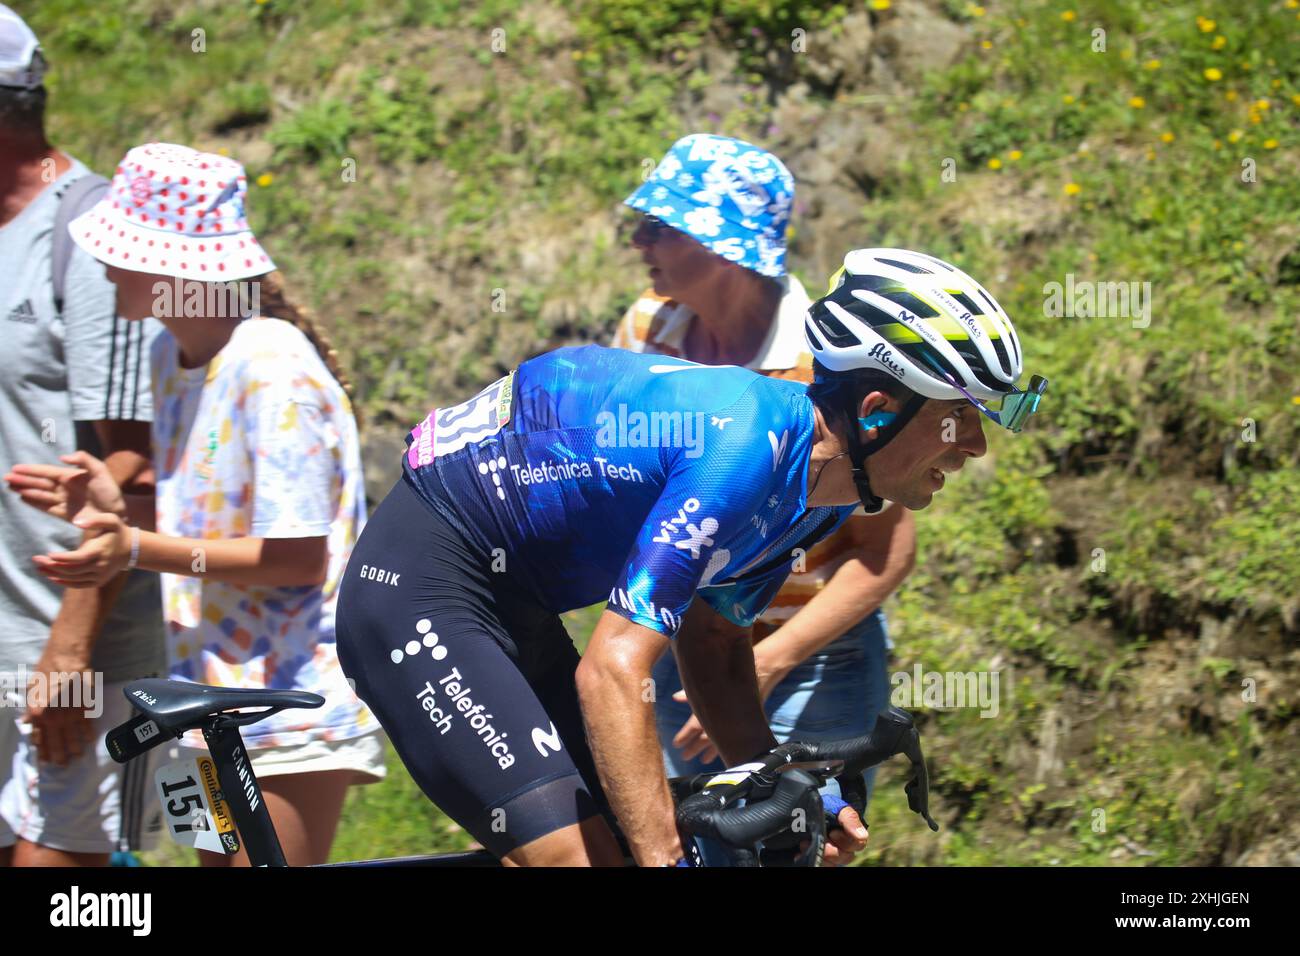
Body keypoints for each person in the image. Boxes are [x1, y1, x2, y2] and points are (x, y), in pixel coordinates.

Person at [331, 246, 1046, 866]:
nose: (976, 447)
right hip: (417, 587)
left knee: (618, 829)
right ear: (876, 411)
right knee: (580, 857)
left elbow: (714, 644)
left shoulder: (819, 488)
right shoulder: (743, 452)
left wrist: (784, 790)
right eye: (960, 420)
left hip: (511, 599)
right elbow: (613, 668)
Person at [6, 143, 385, 867]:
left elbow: (298, 559)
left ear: (174, 268)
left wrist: (136, 547)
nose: (105, 264)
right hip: (197, 703)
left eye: (122, 248)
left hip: (284, 713)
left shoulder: (269, 364)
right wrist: (120, 507)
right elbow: (208, 528)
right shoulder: (169, 357)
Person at [615, 133, 915, 818]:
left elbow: (885, 553)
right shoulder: (647, 328)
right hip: (675, 637)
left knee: (797, 839)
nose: (638, 240)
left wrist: (768, 660)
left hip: (811, 659)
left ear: (721, 245)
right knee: (688, 838)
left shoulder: (826, 367)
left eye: (660, 226)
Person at [0, 3, 166, 867]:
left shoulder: (89, 237)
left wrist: (69, 650)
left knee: (73, 890)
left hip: (70, 650)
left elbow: (132, 468)